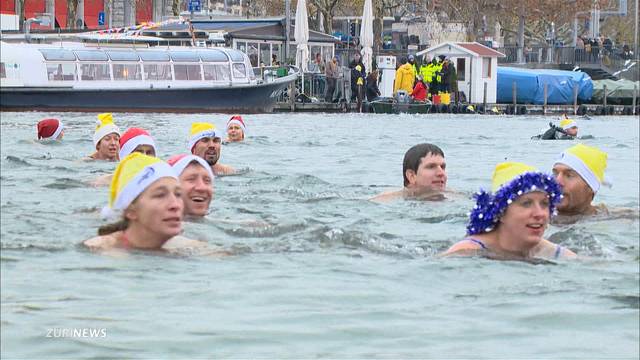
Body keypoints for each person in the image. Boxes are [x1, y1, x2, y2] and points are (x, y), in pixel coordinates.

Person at [443, 162, 577, 260]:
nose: (539, 213)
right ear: (500, 212)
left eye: (544, 204)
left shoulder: (548, 251)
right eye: (526, 203)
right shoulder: (465, 252)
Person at [84, 153, 202, 252]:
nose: (175, 205)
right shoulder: (100, 250)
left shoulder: (188, 247)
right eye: (160, 195)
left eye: (178, 194)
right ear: (131, 211)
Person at [370, 143, 447, 202]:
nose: (441, 173)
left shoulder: (453, 196)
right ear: (411, 176)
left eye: (443, 167)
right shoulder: (384, 200)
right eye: (431, 167)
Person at [552, 144, 608, 218]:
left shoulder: (618, 217)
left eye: (569, 175)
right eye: (555, 174)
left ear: (591, 188)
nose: (557, 182)